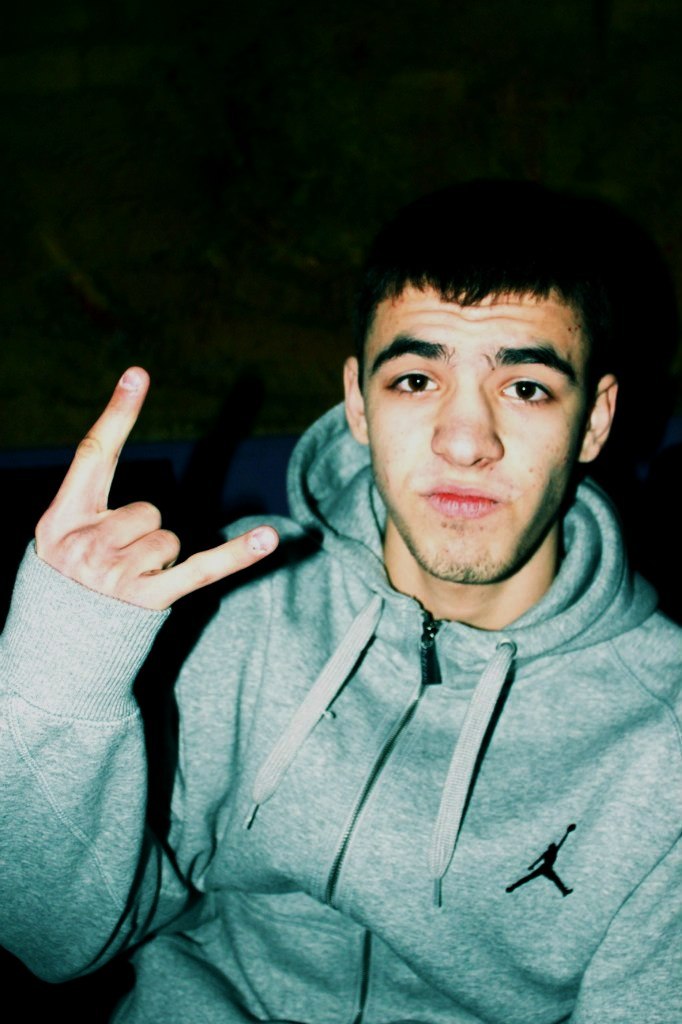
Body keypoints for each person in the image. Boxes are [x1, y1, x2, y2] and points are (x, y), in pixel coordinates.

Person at [1, 181, 680, 1023]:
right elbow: (54, 942)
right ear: (357, 402)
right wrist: (61, 667)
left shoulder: (665, 741)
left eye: (527, 388)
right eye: (416, 379)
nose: (465, 441)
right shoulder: (232, 602)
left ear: (596, 420)